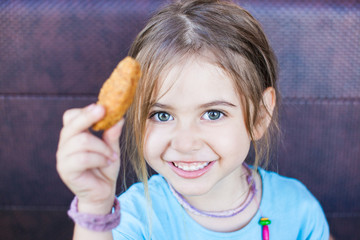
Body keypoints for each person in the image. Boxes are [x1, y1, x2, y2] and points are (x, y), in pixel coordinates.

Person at [56, 0, 330, 239]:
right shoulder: (130, 218)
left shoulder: (299, 210)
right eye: (161, 115)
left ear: (259, 116)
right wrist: (94, 207)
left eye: (213, 114)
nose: (185, 143)